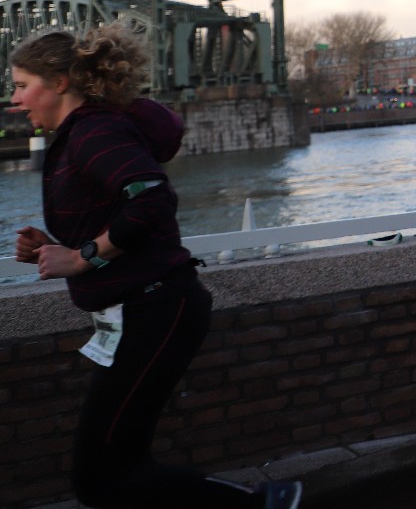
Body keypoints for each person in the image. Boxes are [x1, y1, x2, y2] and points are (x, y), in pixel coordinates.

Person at [10, 25, 303, 509]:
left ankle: (265, 503)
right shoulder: (85, 132)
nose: (15, 99)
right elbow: (119, 217)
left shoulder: (94, 132)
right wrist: (57, 248)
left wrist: (81, 258)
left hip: (154, 310)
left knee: (101, 479)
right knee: (115, 469)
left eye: (22, 85)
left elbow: (152, 201)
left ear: (59, 82)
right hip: (142, 309)